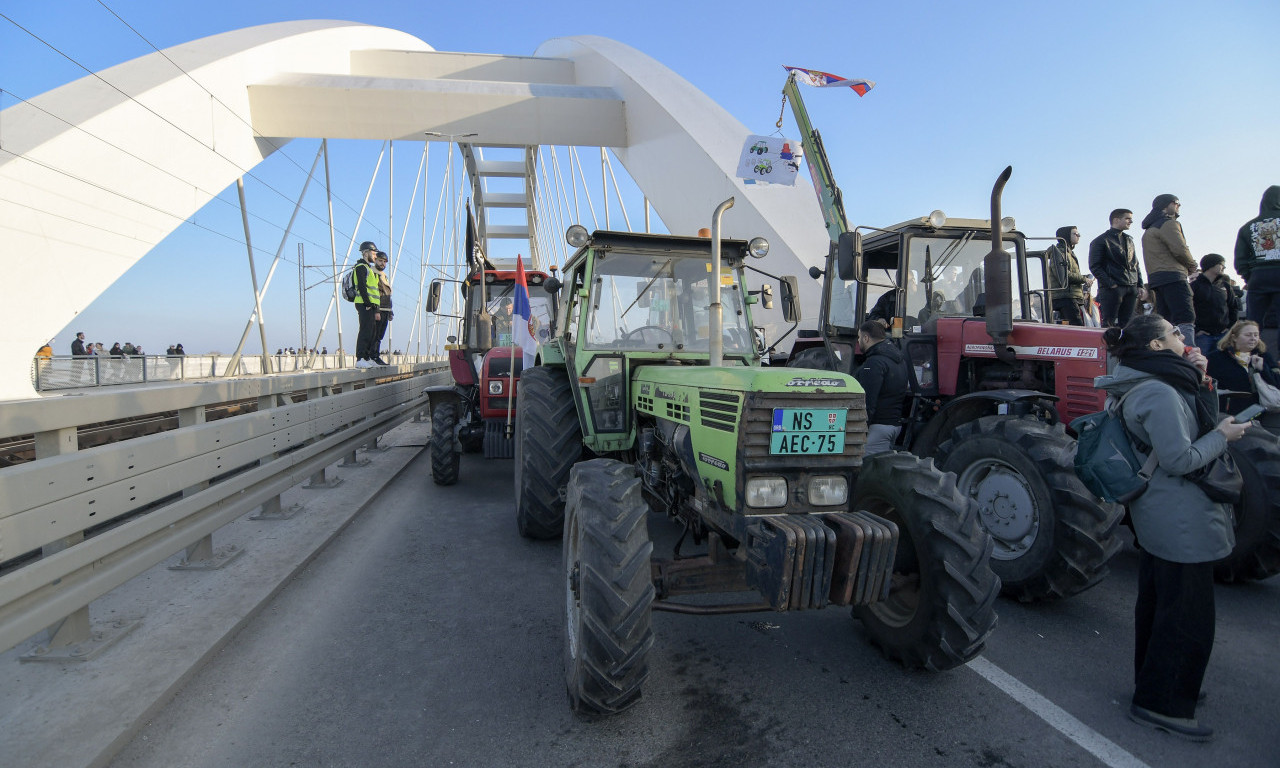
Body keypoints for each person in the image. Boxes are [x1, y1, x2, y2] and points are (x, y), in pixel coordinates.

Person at [1095, 313, 1249, 742]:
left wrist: (1202, 383)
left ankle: (1158, 686)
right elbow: (1181, 459)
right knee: (1186, 619)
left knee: (1161, 608)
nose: (1182, 337)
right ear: (1157, 347)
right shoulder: (1158, 392)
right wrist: (1224, 436)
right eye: (1174, 333)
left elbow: (1188, 429)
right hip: (1181, 516)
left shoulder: (1154, 382)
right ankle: (1162, 704)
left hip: (1164, 516)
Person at [1141, 194, 1198, 341]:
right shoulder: (1168, 224)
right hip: (1174, 276)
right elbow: (1180, 249)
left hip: (1157, 279)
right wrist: (1192, 265)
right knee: (1185, 317)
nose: (1179, 206)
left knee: (1166, 320)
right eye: (1176, 203)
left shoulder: (1149, 230)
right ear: (1166, 205)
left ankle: (1169, 352)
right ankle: (1187, 355)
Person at [1235, 185, 1280, 349]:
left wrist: (1250, 277)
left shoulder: (1248, 227)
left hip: (1258, 276)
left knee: (1253, 323)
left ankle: (1251, 356)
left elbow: (1240, 259)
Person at [853, 320, 907, 455]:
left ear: (866, 338)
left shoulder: (874, 363)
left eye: (859, 337)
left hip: (878, 427)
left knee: (867, 469)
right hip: (894, 425)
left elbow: (868, 401)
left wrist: (858, 429)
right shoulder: (899, 359)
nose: (858, 341)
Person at [1206, 320, 1280, 417]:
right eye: (1248, 335)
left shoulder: (1264, 356)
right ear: (1234, 337)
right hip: (1229, 413)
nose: (1253, 338)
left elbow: (1277, 382)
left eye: (1256, 335)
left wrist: (1263, 368)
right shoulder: (1216, 358)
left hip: (1261, 411)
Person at [1089, 208, 1143, 327]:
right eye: (1127, 218)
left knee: (1128, 323)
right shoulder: (1100, 241)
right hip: (1113, 288)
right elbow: (1095, 266)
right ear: (1116, 220)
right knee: (1109, 323)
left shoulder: (1129, 240)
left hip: (1131, 286)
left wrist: (1139, 285)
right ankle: (1109, 345)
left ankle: (1127, 345)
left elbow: (1135, 263)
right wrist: (1111, 283)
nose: (1131, 221)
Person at [1190, 254, 1239, 355]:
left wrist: (1229, 327)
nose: (1224, 267)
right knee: (1202, 366)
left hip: (1223, 335)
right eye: (1221, 264)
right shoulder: (1193, 287)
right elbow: (1188, 310)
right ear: (1211, 265)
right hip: (1203, 336)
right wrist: (1197, 330)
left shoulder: (1225, 286)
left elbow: (1233, 307)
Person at [1047, 226, 1090, 325]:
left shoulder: (1067, 253)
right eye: (1075, 233)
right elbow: (1063, 275)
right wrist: (1084, 279)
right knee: (1077, 328)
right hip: (1065, 298)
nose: (1079, 236)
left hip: (1069, 296)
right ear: (1066, 236)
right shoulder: (1059, 253)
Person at [352, 241, 382, 369]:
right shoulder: (360, 267)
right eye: (373, 252)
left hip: (371, 305)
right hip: (364, 304)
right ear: (365, 253)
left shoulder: (368, 268)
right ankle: (360, 358)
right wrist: (368, 303)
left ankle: (367, 357)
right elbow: (362, 287)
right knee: (365, 331)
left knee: (371, 332)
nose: (375, 255)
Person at [372, 251, 392, 366]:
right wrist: (377, 310)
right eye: (380, 261)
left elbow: (388, 293)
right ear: (375, 260)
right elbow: (375, 293)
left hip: (386, 309)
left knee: (380, 335)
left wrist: (390, 310)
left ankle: (376, 356)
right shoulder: (374, 274)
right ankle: (374, 356)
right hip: (379, 309)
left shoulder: (383, 276)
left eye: (384, 262)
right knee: (375, 335)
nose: (383, 264)